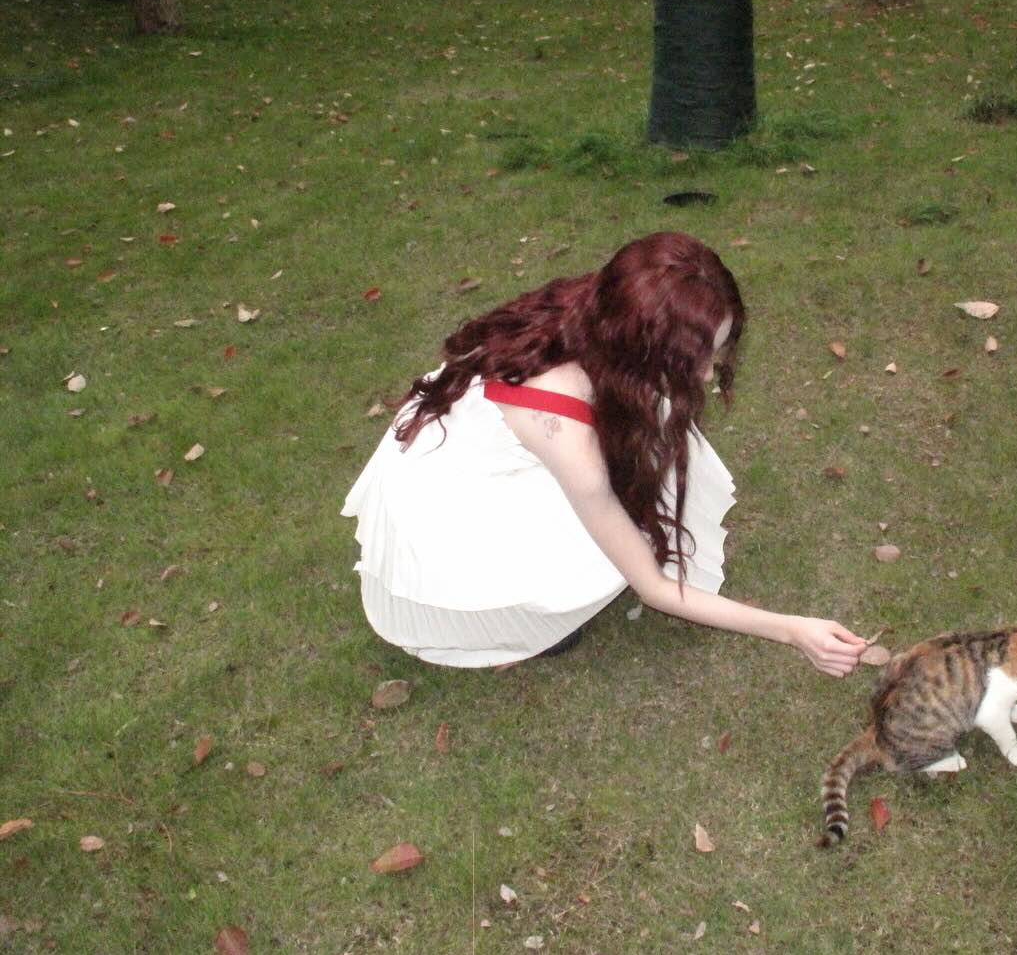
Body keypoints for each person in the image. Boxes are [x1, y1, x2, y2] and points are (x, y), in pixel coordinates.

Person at [342, 231, 867, 676]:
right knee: (602, 554)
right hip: (452, 503)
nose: (709, 373)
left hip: (489, 443)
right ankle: (506, 606)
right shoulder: (569, 441)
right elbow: (654, 587)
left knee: (633, 478)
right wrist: (792, 630)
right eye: (695, 359)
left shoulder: (606, 307)